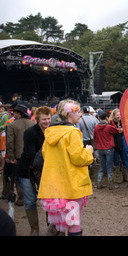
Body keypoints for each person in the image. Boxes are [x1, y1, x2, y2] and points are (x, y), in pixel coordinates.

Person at [37, 99, 94, 236]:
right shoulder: (72, 133)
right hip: (71, 187)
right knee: (74, 223)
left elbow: (45, 155)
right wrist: (89, 151)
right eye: (78, 112)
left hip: (55, 186)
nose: (80, 115)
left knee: (60, 223)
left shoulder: (50, 133)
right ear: (70, 113)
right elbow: (79, 158)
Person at [17, 106, 52, 236]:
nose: (47, 122)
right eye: (44, 119)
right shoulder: (30, 132)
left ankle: (51, 227)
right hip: (28, 170)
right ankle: (34, 229)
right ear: (37, 119)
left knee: (49, 199)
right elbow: (31, 155)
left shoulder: (53, 131)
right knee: (30, 200)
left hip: (47, 170)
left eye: (48, 118)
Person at [5, 103, 35, 206]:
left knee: (18, 177)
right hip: (31, 155)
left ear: (19, 113)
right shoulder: (32, 123)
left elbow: (10, 142)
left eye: (15, 112)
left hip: (18, 155)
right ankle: (31, 196)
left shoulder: (12, 125)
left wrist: (11, 156)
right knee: (31, 175)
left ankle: (21, 198)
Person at [93, 111, 120, 190]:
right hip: (108, 149)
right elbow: (116, 130)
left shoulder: (96, 127)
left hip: (100, 149)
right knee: (109, 167)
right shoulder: (108, 127)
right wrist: (111, 121)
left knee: (102, 167)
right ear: (106, 118)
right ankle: (110, 184)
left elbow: (94, 136)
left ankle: (99, 182)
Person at [110, 109, 127, 183]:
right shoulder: (111, 123)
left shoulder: (123, 122)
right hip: (115, 144)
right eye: (117, 115)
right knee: (116, 162)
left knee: (124, 161)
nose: (119, 116)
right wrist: (117, 130)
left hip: (122, 144)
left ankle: (125, 177)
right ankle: (117, 178)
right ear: (114, 115)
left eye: (120, 115)